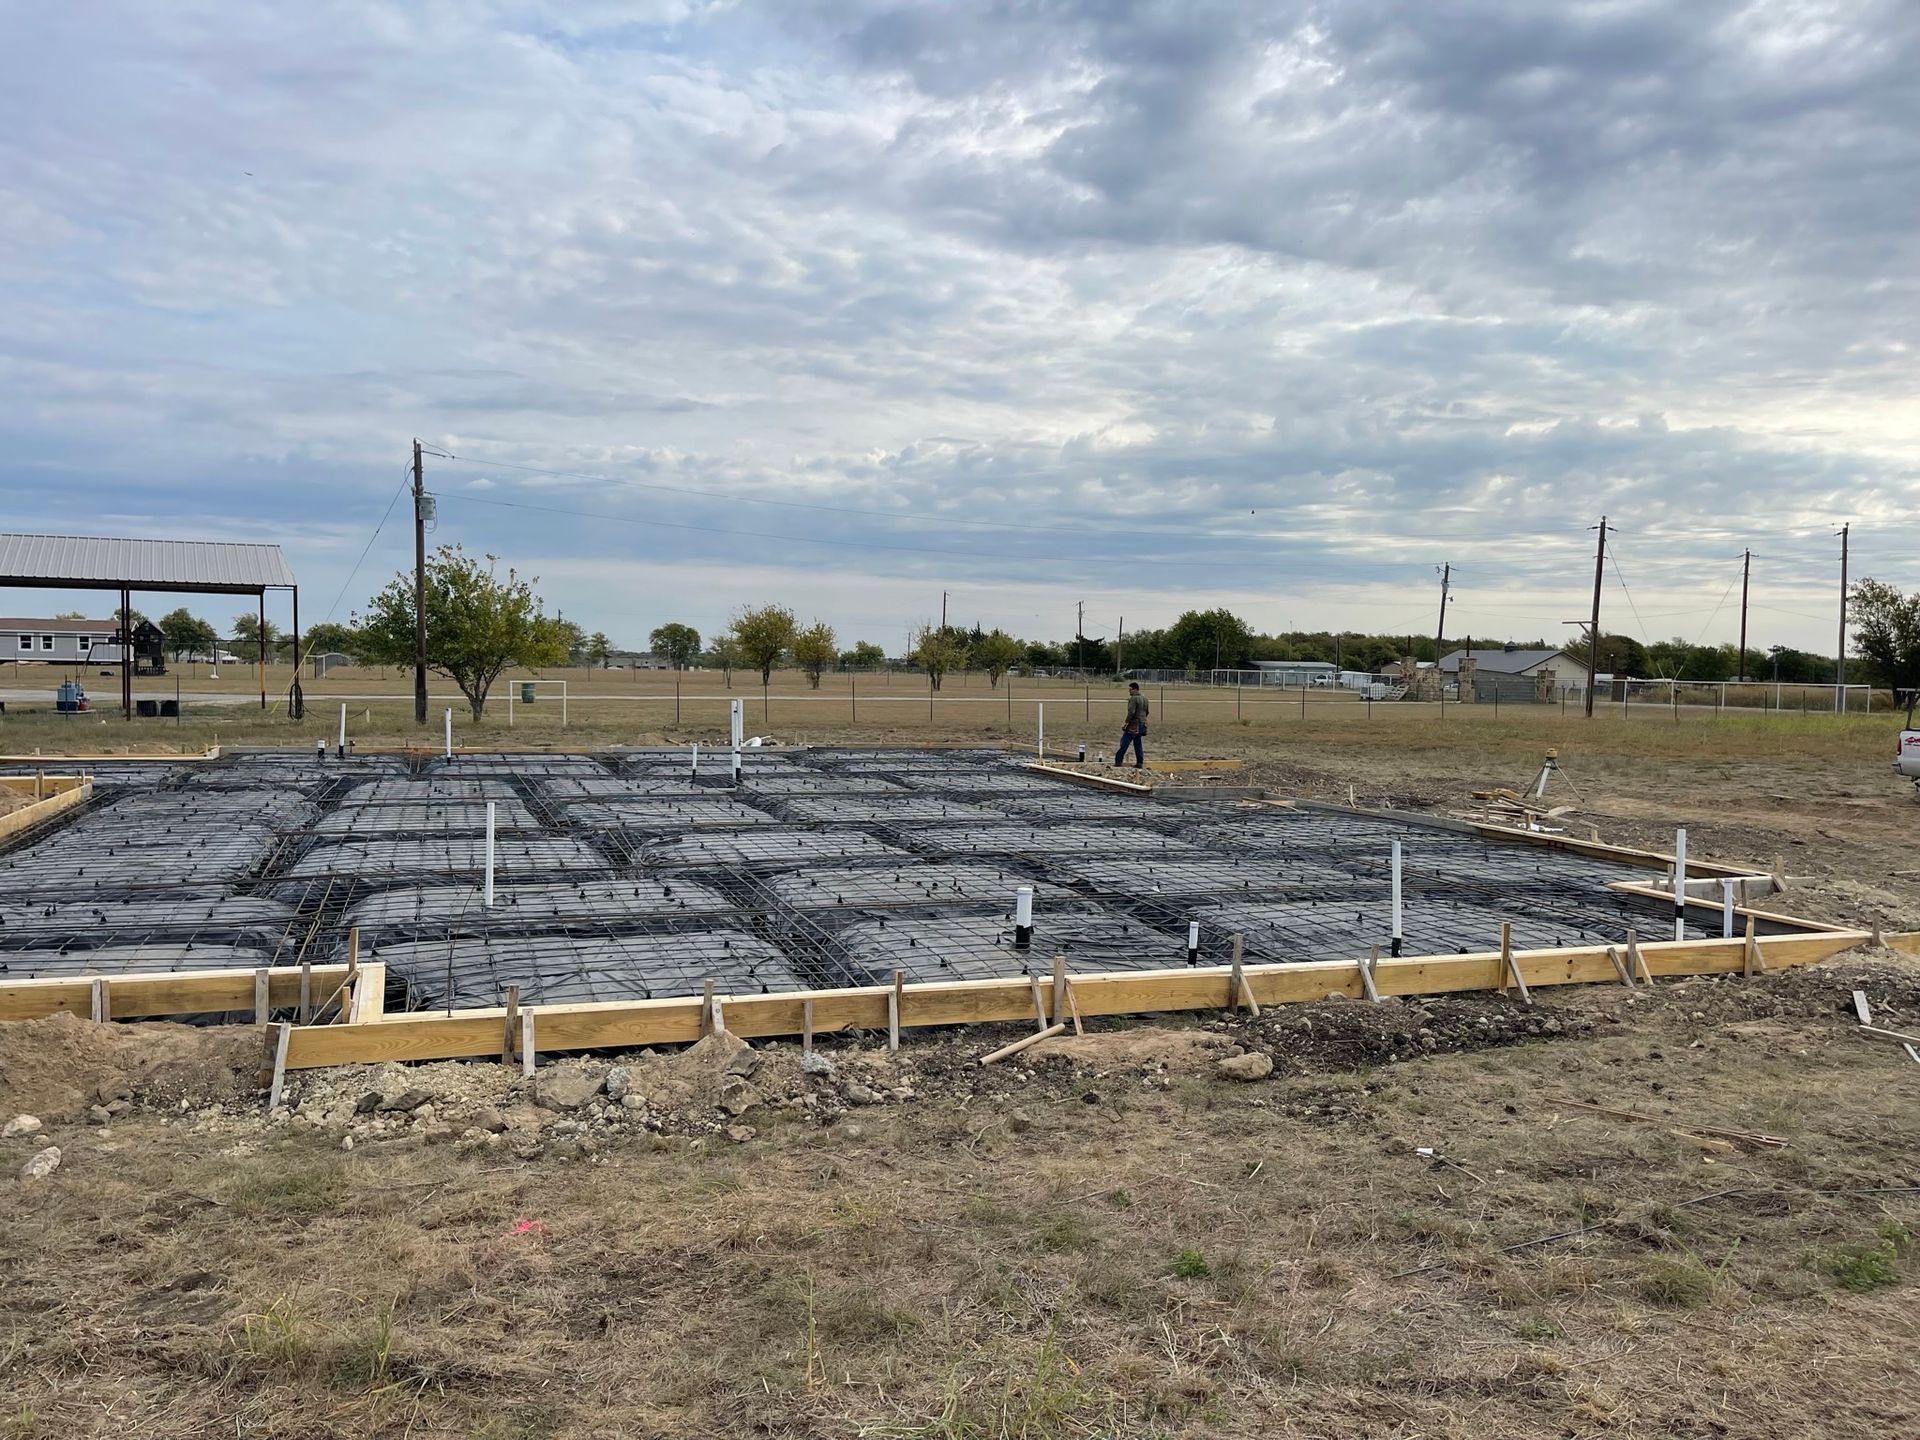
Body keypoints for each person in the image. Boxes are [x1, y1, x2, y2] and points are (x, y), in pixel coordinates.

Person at [1114, 681, 1148, 768]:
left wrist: (1126, 723)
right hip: (1143, 724)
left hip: (1134, 724)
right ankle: (1139, 763)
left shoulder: (1133, 699)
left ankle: (1118, 761)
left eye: (1130, 690)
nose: (1129, 692)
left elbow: (1131, 712)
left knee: (1124, 742)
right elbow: (1147, 712)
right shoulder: (1145, 699)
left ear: (1135, 689)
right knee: (1138, 744)